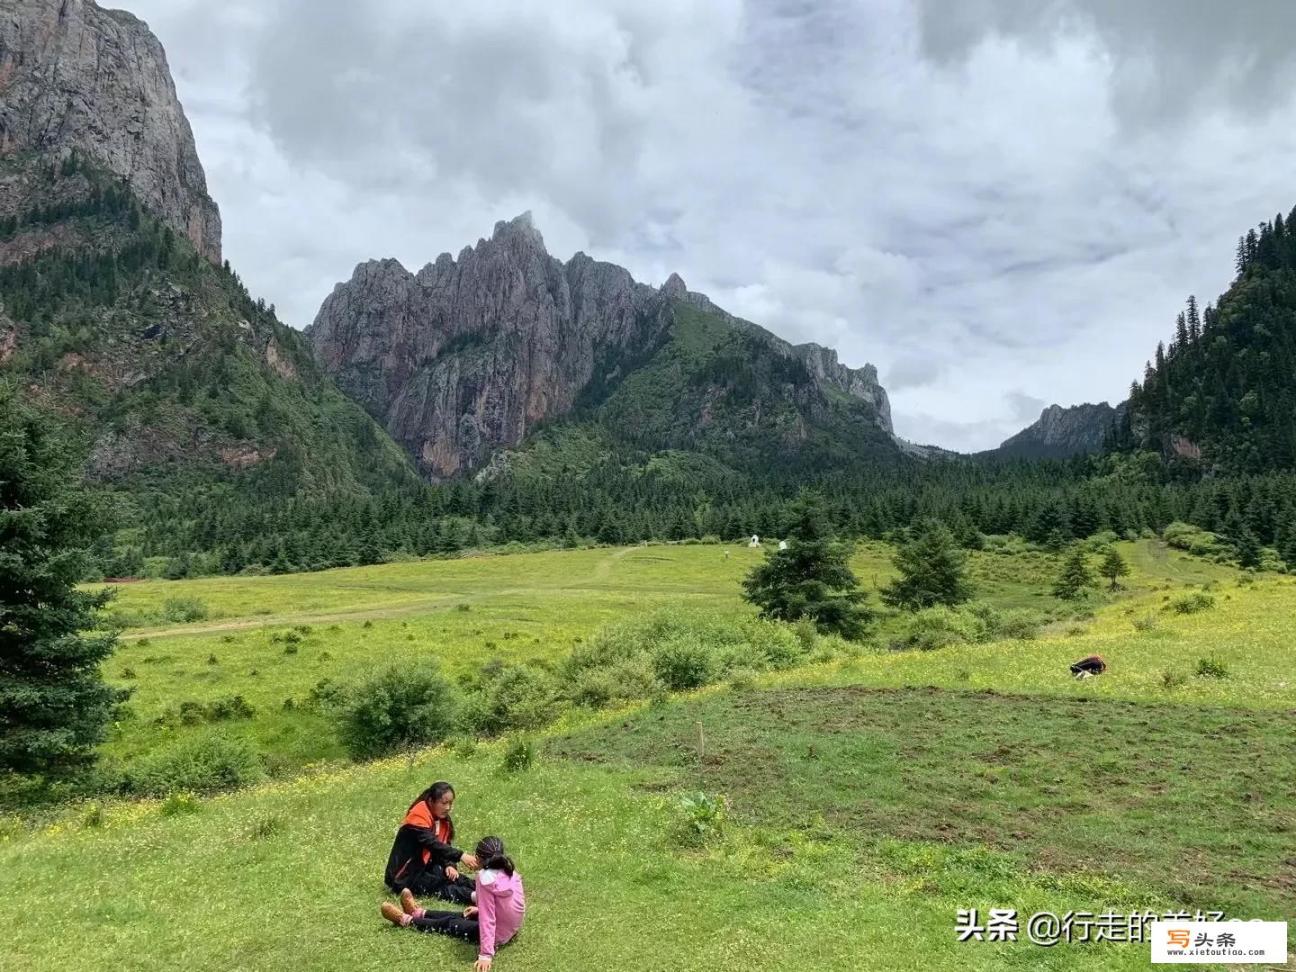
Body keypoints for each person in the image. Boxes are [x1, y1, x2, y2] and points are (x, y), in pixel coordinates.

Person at [381, 835, 526, 971]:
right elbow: (511, 906)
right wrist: (479, 910)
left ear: (478, 858)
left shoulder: (485, 880)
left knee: (450, 923)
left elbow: (488, 919)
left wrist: (486, 954)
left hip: (496, 934)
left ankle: (406, 920)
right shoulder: (510, 871)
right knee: (462, 914)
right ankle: (418, 912)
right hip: (508, 927)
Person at [384, 781, 480, 903]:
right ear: (431, 801)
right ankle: (476, 898)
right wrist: (461, 856)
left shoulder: (442, 819)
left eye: (450, 803)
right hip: (405, 876)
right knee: (441, 886)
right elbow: (433, 844)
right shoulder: (417, 818)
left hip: (425, 866)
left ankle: (488, 888)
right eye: (444, 803)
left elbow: (444, 844)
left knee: (455, 877)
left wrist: (449, 865)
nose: (448, 807)